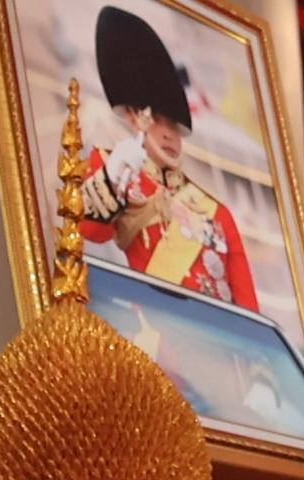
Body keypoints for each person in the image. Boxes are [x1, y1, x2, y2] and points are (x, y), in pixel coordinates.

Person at [79, 5, 258, 312]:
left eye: (174, 124)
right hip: (158, 334)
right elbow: (90, 232)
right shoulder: (115, 170)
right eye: (159, 120)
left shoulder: (217, 214)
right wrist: (111, 177)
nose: (169, 134)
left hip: (219, 345)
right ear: (136, 118)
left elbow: (247, 307)